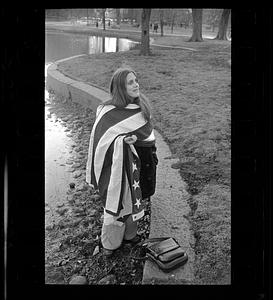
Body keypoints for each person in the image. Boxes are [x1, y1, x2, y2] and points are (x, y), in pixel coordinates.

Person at [86, 67, 158, 257]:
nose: (136, 85)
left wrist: (137, 143)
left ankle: (130, 235)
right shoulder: (107, 111)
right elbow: (100, 142)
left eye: (136, 80)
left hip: (141, 162)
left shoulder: (142, 107)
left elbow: (148, 136)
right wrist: (122, 141)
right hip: (117, 166)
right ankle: (111, 241)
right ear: (120, 87)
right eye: (130, 82)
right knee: (117, 199)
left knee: (135, 199)